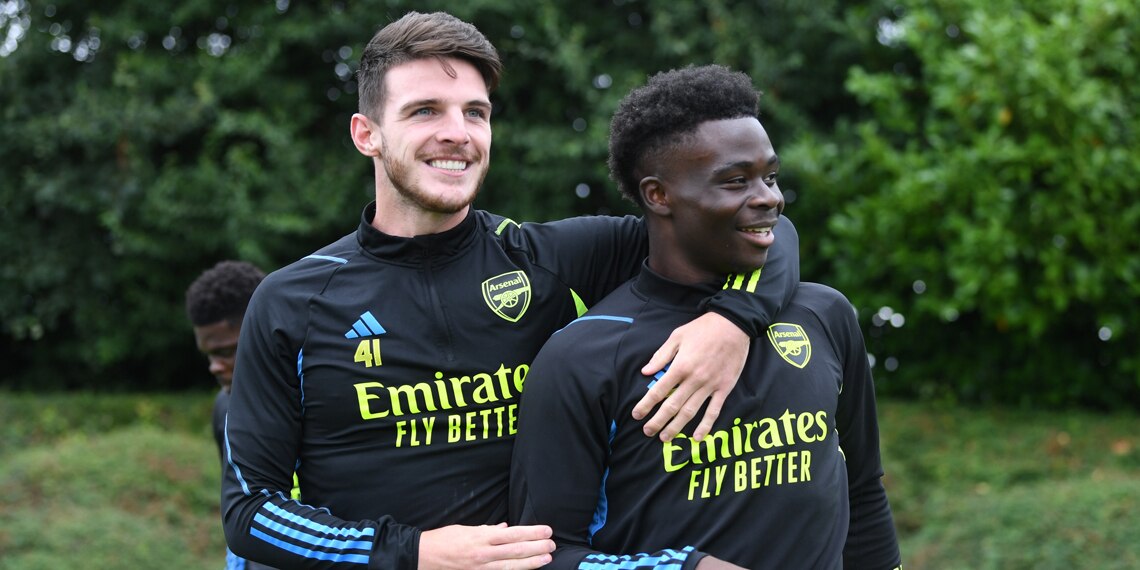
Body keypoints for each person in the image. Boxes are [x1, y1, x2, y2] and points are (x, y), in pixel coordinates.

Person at [222, 12, 799, 569]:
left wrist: (733, 319)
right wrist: (413, 554)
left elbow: (758, 230)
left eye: (476, 113)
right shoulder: (293, 301)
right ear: (366, 134)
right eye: (425, 111)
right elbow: (250, 514)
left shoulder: (546, 257)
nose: (457, 133)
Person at [509, 64, 902, 569]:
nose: (770, 199)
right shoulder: (582, 356)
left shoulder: (822, 313)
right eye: (736, 181)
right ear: (659, 195)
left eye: (771, 176)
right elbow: (539, 555)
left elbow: (864, 489)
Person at [186, 260, 280, 570]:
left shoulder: (324, 400)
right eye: (209, 355)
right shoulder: (224, 407)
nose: (214, 366)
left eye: (227, 351)